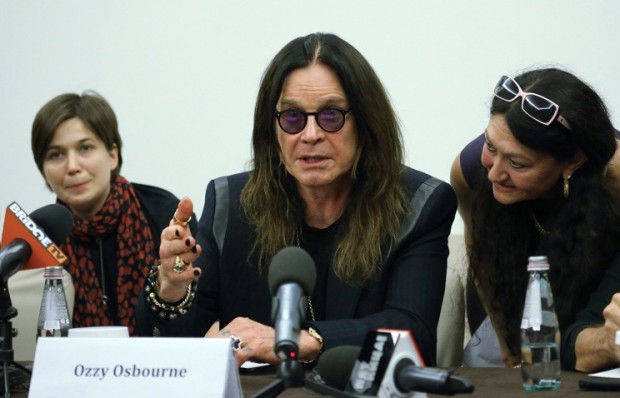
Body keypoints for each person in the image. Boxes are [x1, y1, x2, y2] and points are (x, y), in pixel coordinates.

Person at [135, 32, 457, 367]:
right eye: (292, 117)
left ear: (366, 124)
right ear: (271, 131)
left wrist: (301, 341)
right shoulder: (230, 206)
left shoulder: (418, 205)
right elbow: (180, 348)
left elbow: (411, 332)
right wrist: (170, 288)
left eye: (331, 115)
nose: (311, 134)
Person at [450, 67, 620, 372]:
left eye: (516, 162)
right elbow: (484, 257)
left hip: (595, 298)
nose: (494, 172)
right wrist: (509, 346)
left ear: (573, 161)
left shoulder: (613, 182)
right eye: (491, 146)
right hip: (513, 290)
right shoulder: (471, 170)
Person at [31, 91, 196, 335]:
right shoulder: (39, 236)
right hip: (74, 369)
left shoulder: (163, 214)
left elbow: (201, 314)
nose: (73, 166)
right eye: (56, 155)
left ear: (112, 155)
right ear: (43, 170)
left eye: (85, 148)